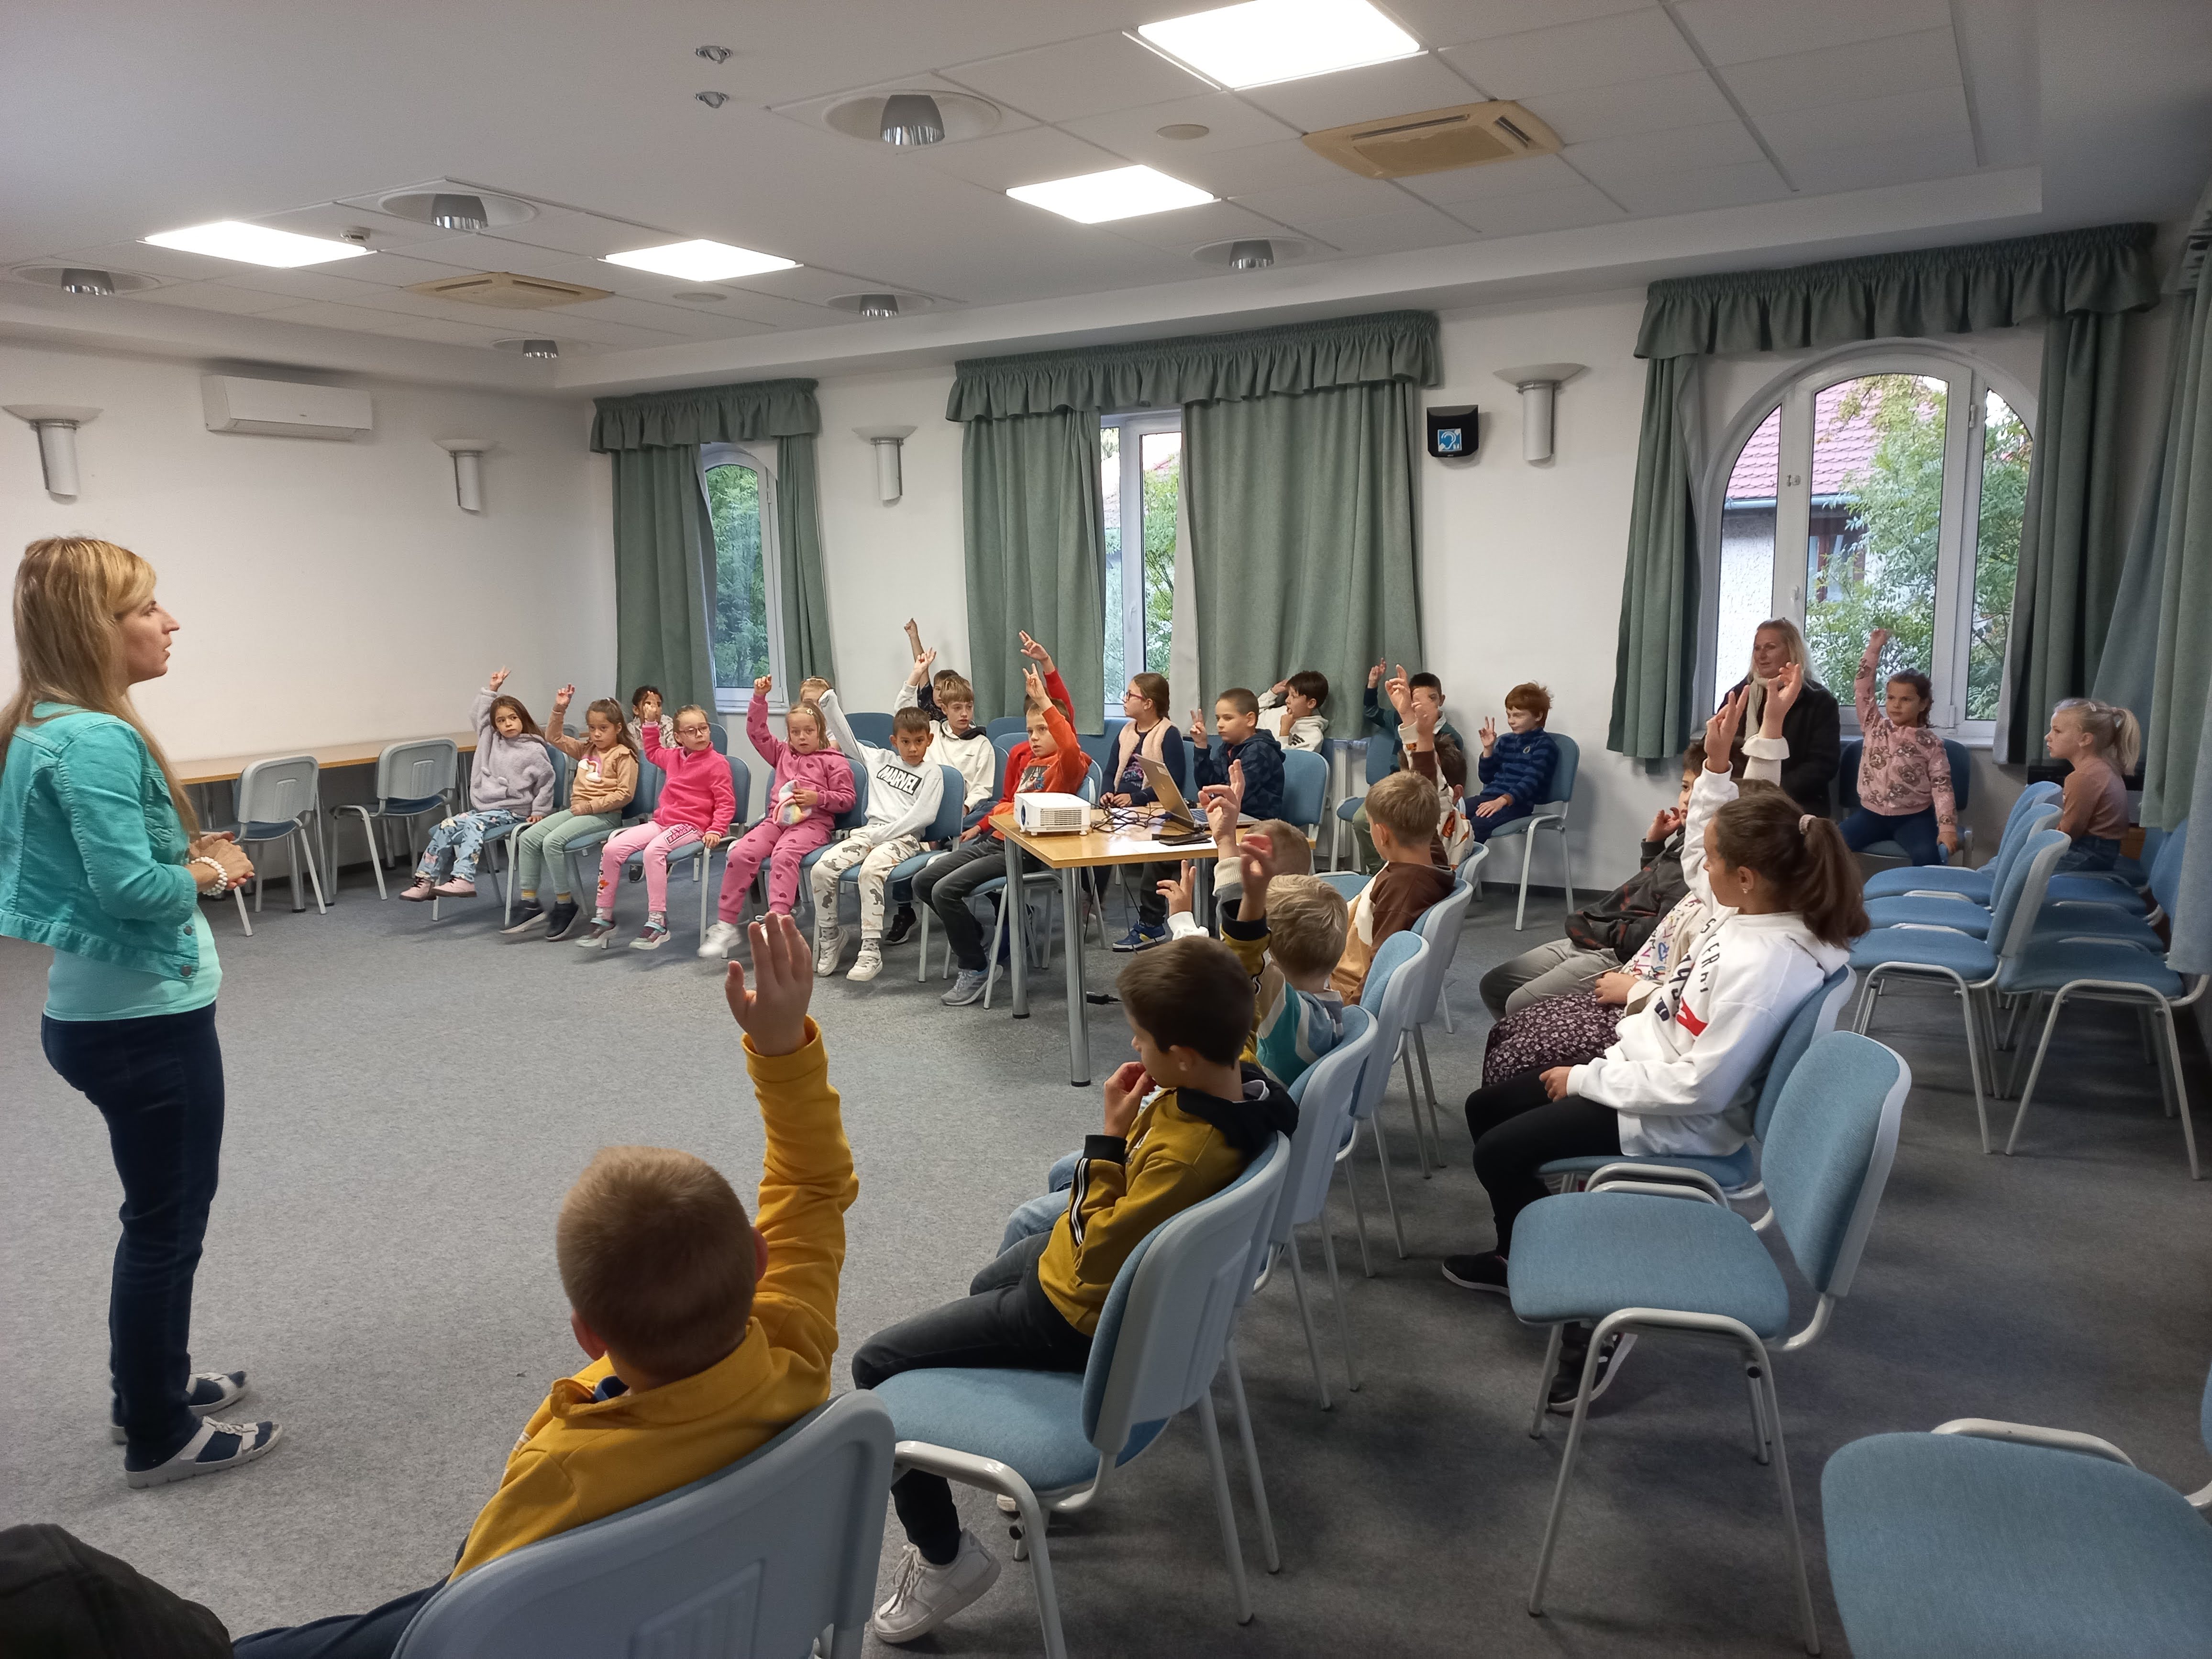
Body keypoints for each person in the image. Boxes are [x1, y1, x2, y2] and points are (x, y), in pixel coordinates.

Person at [231, 915, 857, 1659]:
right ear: (757, 1260)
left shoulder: (563, 1474)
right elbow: (813, 1185)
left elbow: (468, 1620)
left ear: (588, 1335)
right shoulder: (796, 1337)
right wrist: (783, 1048)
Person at [850, 937, 1295, 1645]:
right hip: (1070, 1281)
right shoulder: (1242, 1079)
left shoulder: (1186, 1155)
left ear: (1182, 1056)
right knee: (990, 1278)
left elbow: (1091, 1254)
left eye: (1141, 1037)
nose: (1133, 1045)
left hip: (1070, 1311)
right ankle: (1002, 1439)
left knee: (874, 1364)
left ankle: (944, 1560)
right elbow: (1241, 977)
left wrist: (1109, 1138)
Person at [1445, 687, 1863, 1405]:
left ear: (1745, 878)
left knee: (1497, 1151)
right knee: (1487, 1109)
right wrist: (1723, 768)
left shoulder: (1765, 965)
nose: (1699, 869)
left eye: (1713, 860)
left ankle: (1593, 1318)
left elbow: (1700, 1088)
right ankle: (1520, 1251)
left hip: (1673, 1117)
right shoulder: (1754, 907)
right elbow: (1709, 854)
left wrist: (1583, 1080)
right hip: (1643, 1069)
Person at [0, 537, 276, 1487]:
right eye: (148, 607)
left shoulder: (43, 725)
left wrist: (184, 856)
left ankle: (148, 1388)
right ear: (96, 626)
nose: (170, 622)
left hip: (104, 1015)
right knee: (167, 1223)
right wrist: (213, 869)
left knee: (160, 1214)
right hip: (143, 1022)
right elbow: (130, 891)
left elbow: (94, 875)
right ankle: (159, 1433)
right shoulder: (95, 738)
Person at [1482, 693, 1799, 1086]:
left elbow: (1697, 1074)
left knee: (1518, 1021)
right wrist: (1653, 847)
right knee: (1499, 992)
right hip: (1609, 946)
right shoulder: (1705, 856)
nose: (1689, 801)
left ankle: (1530, 1075)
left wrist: (1723, 763)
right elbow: (1653, 890)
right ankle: (1528, 1071)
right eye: (1686, 788)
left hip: (1623, 964)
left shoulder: (1724, 891)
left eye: (1699, 791)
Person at [914, 641, 1087, 1008]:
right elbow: (1008, 803)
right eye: (1030, 731)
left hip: (1027, 852)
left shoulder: (1068, 765)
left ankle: (976, 968)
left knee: (945, 891)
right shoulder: (1031, 761)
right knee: (924, 881)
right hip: (998, 840)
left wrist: (1046, 690)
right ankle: (971, 935)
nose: (1034, 738)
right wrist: (984, 825)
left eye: (1043, 730)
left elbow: (1068, 738)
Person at [697, 678, 857, 957]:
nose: (802, 737)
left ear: (820, 731)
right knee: (741, 852)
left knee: (784, 854)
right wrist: (759, 698)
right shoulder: (782, 753)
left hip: (814, 824)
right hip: (777, 820)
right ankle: (726, 925)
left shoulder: (834, 760)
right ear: (789, 735)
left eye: (809, 731)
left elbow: (847, 799)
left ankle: (779, 920)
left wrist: (818, 798)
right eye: (796, 732)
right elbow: (757, 733)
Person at [797, 693, 943, 981]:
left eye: (919, 741)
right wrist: (829, 705)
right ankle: (831, 937)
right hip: (870, 833)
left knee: (871, 871)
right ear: (894, 741)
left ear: (929, 740)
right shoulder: (879, 759)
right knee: (822, 869)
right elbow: (847, 740)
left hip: (904, 839)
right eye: (906, 742)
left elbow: (923, 817)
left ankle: (870, 949)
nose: (913, 748)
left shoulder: (932, 773)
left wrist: (882, 835)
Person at [578, 703, 734, 951]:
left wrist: (717, 828)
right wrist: (650, 723)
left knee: (654, 852)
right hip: (663, 822)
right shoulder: (674, 757)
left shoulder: (717, 764)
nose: (700, 734)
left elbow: (726, 802)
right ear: (679, 737)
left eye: (703, 728)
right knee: (611, 848)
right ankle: (604, 916)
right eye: (691, 731)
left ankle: (658, 921)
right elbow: (652, 752)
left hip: (693, 825)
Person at [885, 626, 997, 949]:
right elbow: (902, 712)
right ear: (943, 709)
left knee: (976, 829)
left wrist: (962, 808)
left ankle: (992, 903)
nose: (964, 714)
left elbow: (983, 790)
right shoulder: (931, 733)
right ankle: (905, 910)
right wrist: (916, 673)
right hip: (926, 811)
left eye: (969, 707)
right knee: (903, 834)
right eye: (957, 708)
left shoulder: (981, 744)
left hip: (964, 814)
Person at [398, 669, 553, 901]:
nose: (508, 724)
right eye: (501, 721)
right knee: (447, 825)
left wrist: (540, 810)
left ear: (523, 718)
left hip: (515, 811)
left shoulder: (534, 749)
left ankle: (464, 879)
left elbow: (547, 781)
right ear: (495, 726)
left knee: (473, 824)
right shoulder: (490, 739)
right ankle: (425, 881)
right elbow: (479, 716)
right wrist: (491, 691)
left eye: (513, 718)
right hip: (486, 810)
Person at [1330, 716, 1454, 1003]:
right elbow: (1426, 785)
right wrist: (1421, 734)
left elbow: (1379, 972)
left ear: (1382, 833)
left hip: (1339, 986)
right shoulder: (1431, 857)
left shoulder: (1403, 891)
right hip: (1336, 954)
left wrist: (1350, 1016)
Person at [505, 689, 640, 939]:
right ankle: (529, 902)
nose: (596, 734)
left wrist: (590, 807)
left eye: (603, 729)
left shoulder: (624, 756)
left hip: (605, 816)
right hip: (577, 811)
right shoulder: (587, 749)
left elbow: (625, 794)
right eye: (592, 728)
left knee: (552, 842)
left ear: (618, 728)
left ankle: (565, 903)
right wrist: (559, 709)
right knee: (528, 838)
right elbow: (553, 737)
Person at [1842, 629, 1958, 866]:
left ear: (1923, 704)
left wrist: (1947, 827)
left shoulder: (1931, 744)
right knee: (1829, 844)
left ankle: (1924, 891)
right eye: (1892, 698)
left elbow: (1942, 787)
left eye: (1906, 700)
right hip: (1870, 815)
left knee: (1928, 856)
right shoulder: (1874, 726)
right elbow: (1863, 688)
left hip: (1914, 819)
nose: (1896, 705)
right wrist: (1874, 648)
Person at [1101, 671, 1186, 953]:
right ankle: (1090, 901)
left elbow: (1173, 784)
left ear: (1148, 703)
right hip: (1122, 807)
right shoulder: (1126, 732)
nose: (1124, 700)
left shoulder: (1168, 734)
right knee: (1093, 840)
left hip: (1153, 809)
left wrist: (1136, 797)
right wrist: (1107, 792)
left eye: (1130, 695)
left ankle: (1151, 924)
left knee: (1155, 854)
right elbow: (1111, 770)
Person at [1720, 618, 1839, 816]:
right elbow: (1716, 748)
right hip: (1738, 797)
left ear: (1791, 652)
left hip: (1794, 801)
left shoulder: (1820, 701)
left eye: (1770, 647)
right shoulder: (1740, 694)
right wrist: (1738, 791)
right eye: (1757, 648)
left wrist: (1769, 793)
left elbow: (1822, 765)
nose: (1761, 656)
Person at [1352, 662, 1464, 871]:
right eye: (1416, 700)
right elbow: (1371, 712)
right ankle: (1379, 870)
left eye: (1431, 699)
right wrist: (1373, 685)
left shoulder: (1450, 737)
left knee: (1408, 828)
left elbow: (1434, 780)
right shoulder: (1398, 718)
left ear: (1441, 700)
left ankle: (1396, 868)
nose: (1423, 706)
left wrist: (1423, 734)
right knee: (1361, 820)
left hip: (1421, 794)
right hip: (1396, 787)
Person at [2046, 697, 2139, 872]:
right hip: (2103, 851)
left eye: (2057, 731)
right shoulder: (2104, 767)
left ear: (2085, 739)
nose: (2048, 737)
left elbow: (2069, 832)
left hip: (2090, 853)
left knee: (2025, 867)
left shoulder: (2083, 777)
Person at [1469, 682, 1559, 844]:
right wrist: (1488, 749)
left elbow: (1531, 782)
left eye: (1518, 715)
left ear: (1538, 716)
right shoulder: (1506, 741)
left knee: (1478, 823)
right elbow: (1486, 778)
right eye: (1509, 715)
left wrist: (1502, 801)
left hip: (1518, 804)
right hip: (1490, 798)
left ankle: (1464, 860)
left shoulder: (1544, 745)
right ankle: (1445, 858)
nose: (1511, 721)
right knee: (1451, 812)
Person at [1191, 687, 1284, 821]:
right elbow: (1206, 784)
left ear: (1250, 720)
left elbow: (1234, 796)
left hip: (1258, 824)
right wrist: (1201, 745)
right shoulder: (1227, 747)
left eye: (1228, 718)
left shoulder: (1260, 751)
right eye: (1218, 719)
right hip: (1231, 816)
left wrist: (1211, 797)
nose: (1219, 725)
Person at [1260, 670, 1329, 751]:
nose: (1287, 700)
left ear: (1311, 703)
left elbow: (1289, 759)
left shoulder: (1313, 737)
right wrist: (1272, 694)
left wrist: (1284, 733)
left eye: (1293, 696)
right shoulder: (1282, 711)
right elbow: (1252, 716)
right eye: (1288, 695)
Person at [625, 685, 672, 756]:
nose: (655, 709)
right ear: (636, 710)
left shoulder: (669, 725)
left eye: (658, 705)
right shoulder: (630, 730)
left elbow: (675, 755)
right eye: (648, 705)